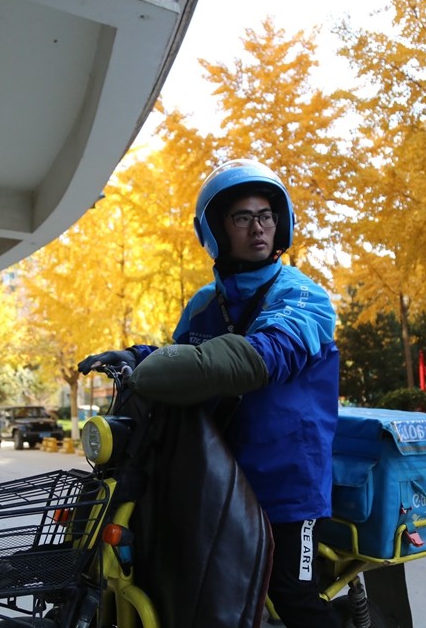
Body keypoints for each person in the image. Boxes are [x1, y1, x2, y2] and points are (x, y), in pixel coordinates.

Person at [79, 159, 340, 628]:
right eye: (242, 218)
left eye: (266, 216)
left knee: (291, 594)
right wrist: (135, 355)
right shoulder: (205, 303)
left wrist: (160, 368)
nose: (258, 228)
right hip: (218, 474)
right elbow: (181, 355)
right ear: (216, 230)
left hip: (288, 481)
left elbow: (262, 356)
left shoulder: (303, 297)